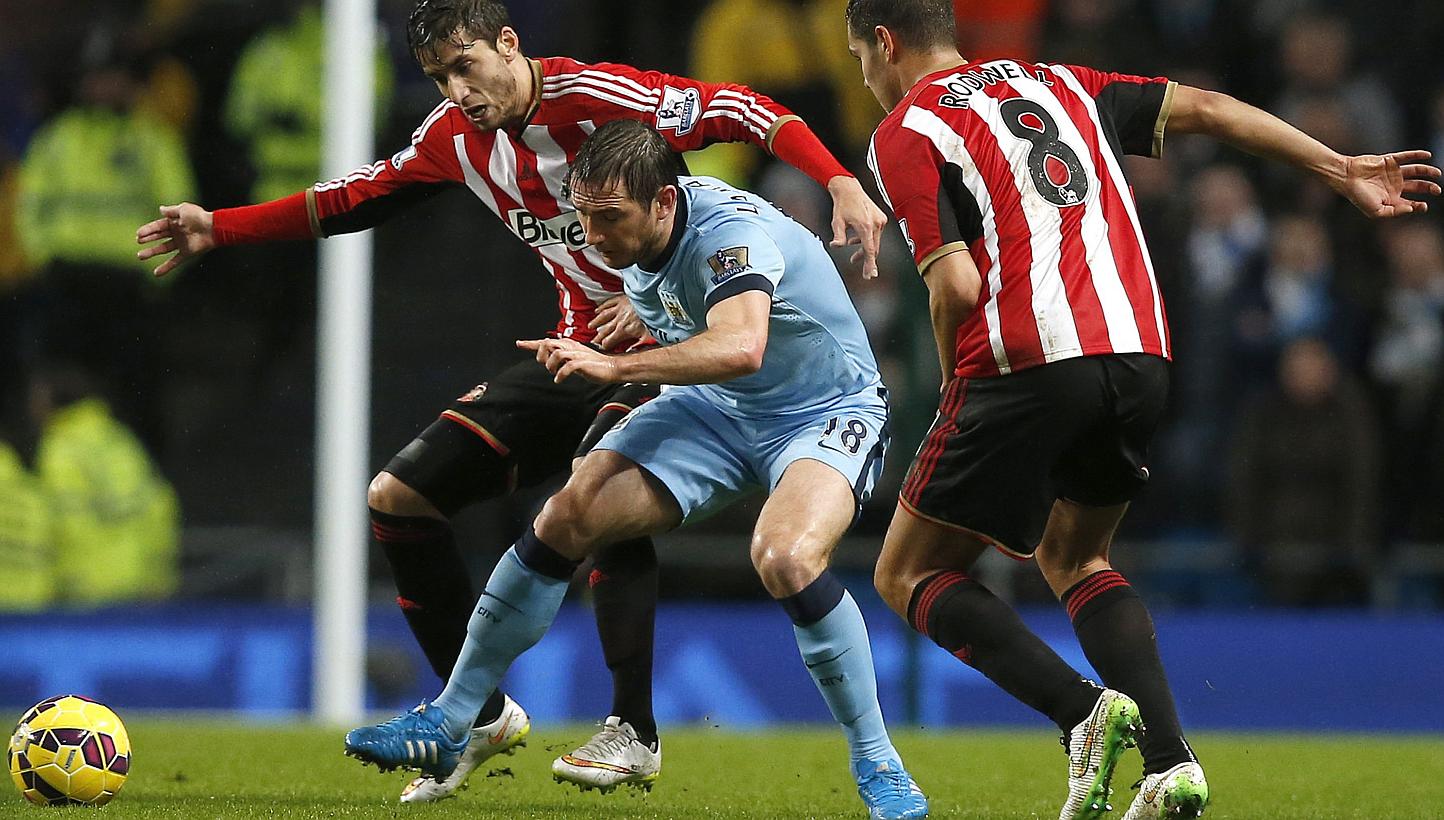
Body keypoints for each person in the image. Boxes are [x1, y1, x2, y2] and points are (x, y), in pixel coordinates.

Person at [134, 0, 889, 802]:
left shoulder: (598, 98)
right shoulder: (453, 139)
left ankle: (631, 728)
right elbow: (353, 196)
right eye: (438, 77)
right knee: (397, 497)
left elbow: (745, 110)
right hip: (570, 347)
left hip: (657, 346)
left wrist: (839, 180)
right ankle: (480, 715)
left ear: (507, 44)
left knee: (598, 487)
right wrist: (222, 227)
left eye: (465, 66)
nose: (457, 91)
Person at [843, 1, 1441, 818]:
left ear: (885, 42)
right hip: (1139, 349)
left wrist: (956, 383)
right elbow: (1210, 108)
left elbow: (954, 282)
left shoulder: (906, 129)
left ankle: (1080, 712)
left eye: (859, 59)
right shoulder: (1061, 81)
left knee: (906, 572)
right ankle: (1170, 763)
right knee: (1076, 556)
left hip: (1031, 355)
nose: (865, 79)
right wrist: (1336, 167)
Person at [343, 118, 929, 820]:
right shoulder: (638, 233)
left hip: (822, 411)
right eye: (584, 216)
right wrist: (645, 311)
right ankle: (452, 719)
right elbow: (699, 311)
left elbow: (742, 345)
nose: (592, 235)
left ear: (664, 202)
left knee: (786, 557)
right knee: (569, 512)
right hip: (717, 408)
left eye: (609, 218)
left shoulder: (727, 237)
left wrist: (615, 366)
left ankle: (878, 761)